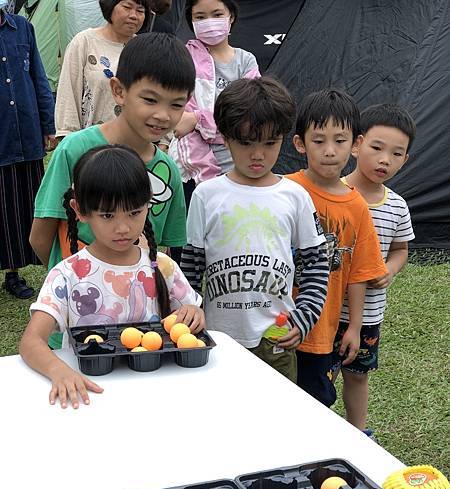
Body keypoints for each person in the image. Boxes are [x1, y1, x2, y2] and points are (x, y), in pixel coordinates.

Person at [30, 32, 195, 347]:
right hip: (76, 321)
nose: (163, 115)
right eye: (150, 99)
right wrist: (74, 278)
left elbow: (167, 252)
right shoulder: (75, 150)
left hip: (143, 333)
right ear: (119, 90)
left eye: (176, 104)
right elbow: (41, 235)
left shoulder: (168, 170)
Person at [20, 145, 204, 409]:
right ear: (80, 210)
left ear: (148, 204)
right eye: (107, 215)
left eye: (134, 212)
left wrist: (194, 314)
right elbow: (31, 340)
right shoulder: (67, 275)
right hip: (92, 395)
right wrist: (58, 370)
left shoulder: (162, 267)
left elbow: (194, 315)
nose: (123, 227)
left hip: (154, 393)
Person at [181, 77, 329, 382]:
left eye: (269, 143)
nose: (258, 154)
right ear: (224, 137)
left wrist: (302, 320)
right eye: (246, 143)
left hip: (276, 339)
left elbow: (316, 263)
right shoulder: (206, 195)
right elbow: (190, 272)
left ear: (284, 139)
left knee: (276, 420)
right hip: (218, 339)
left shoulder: (295, 197)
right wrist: (190, 318)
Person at [286, 89, 388, 407]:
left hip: (322, 332)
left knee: (316, 403)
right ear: (300, 143)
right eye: (319, 141)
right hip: (277, 325)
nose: (329, 151)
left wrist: (355, 327)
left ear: (355, 144)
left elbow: (358, 272)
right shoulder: (285, 190)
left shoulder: (356, 205)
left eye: (339, 140)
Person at [332, 104, 416, 433]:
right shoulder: (332, 192)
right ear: (356, 144)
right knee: (322, 376)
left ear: (405, 160)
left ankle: (359, 434)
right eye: (377, 148)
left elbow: (400, 249)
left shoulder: (396, 206)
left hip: (367, 314)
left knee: (358, 374)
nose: (385, 160)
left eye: (397, 154)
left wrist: (391, 270)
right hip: (327, 310)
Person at [169, 0, 260, 185]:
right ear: (192, 21)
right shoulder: (184, 59)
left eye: (217, 14)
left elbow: (250, 115)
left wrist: (197, 119)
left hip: (240, 162)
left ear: (231, 17)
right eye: (200, 17)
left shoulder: (246, 61)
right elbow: (180, 121)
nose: (209, 22)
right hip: (193, 169)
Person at [0, 3, 55, 299]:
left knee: (27, 208)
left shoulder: (23, 28)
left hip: (28, 135)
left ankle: (14, 272)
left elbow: (38, 79)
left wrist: (48, 126)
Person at [55, 0, 152, 138]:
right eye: (127, 7)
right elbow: (68, 92)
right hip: (91, 144)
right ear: (110, 7)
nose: (133, 15)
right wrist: (67, 136)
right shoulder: (84, 42)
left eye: (140, 11)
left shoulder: (145, 50)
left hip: (134, 144)